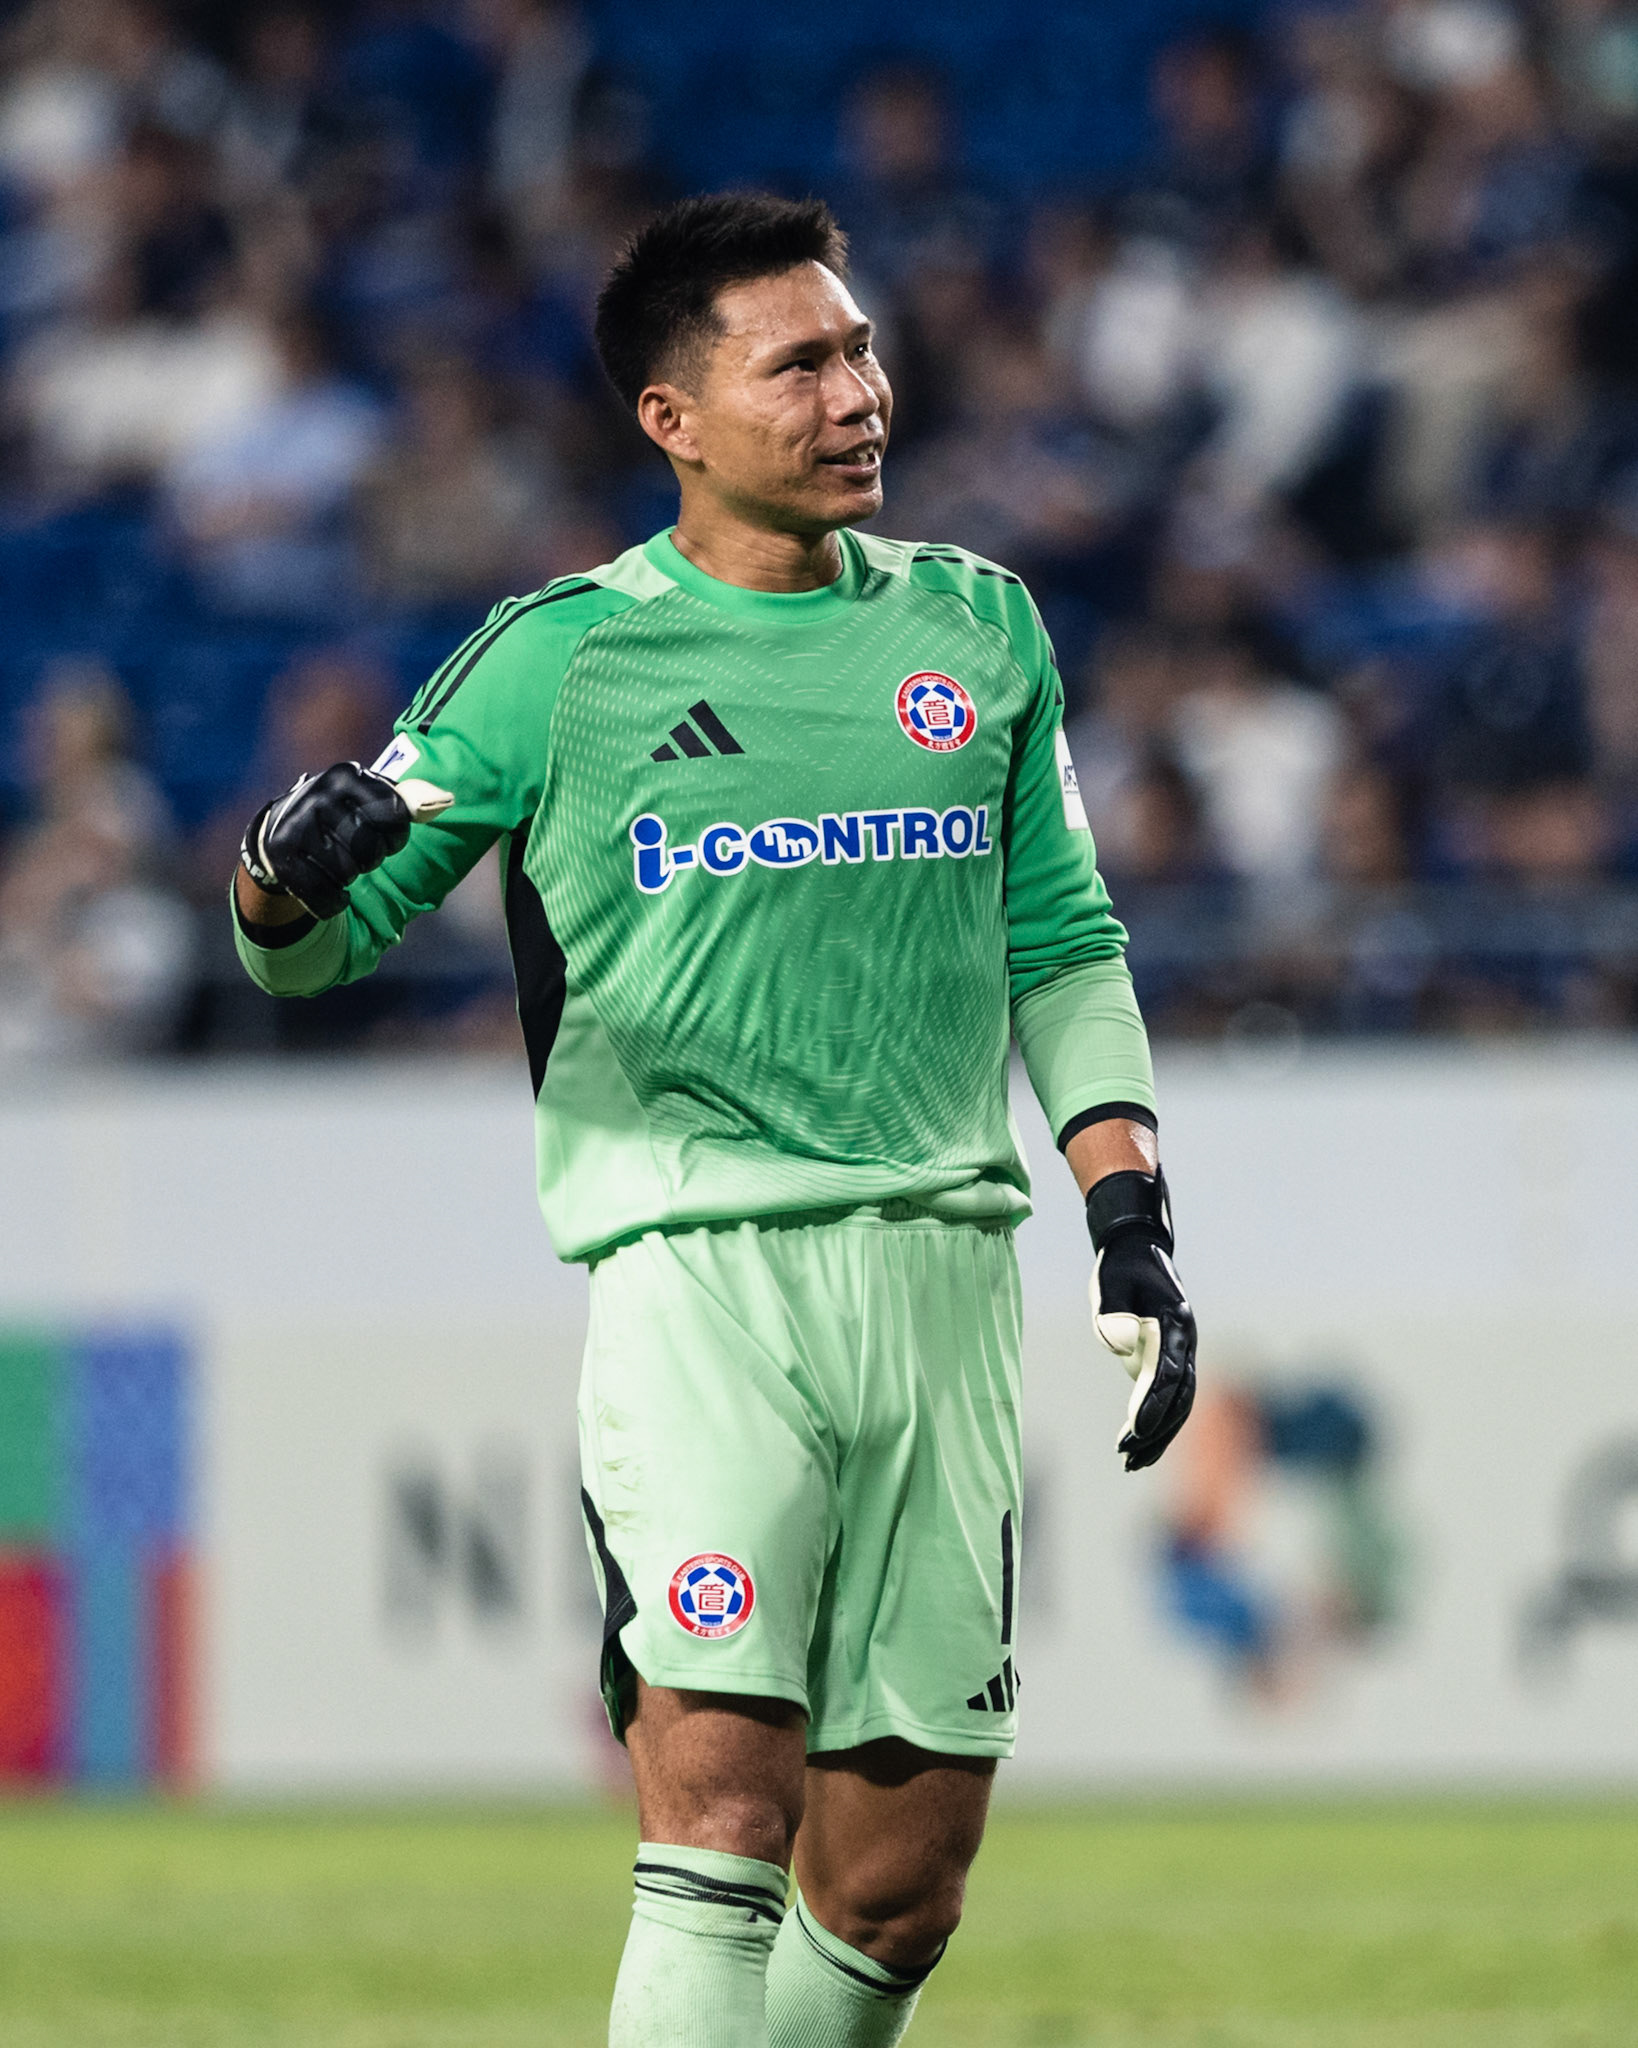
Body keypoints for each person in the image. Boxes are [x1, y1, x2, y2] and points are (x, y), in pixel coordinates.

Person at [228, 193, 1197, 2048]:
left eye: (861, 351)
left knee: (899, 1881)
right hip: (696, 1280)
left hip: (943, 1277)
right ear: (672, 417)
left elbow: (1063, 941)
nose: (858, 392)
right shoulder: (558, 660)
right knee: (722, 1810)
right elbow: (309, 945)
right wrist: (278, 880)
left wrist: (1128, 1211)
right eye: (801, 364)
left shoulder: (976, 630)